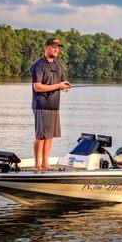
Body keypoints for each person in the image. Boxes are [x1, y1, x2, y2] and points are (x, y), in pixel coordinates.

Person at [30, 37, 72, 172]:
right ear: (46, 47)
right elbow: (37, 87)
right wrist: (58, 86)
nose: (56, 49)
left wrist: (65, 86)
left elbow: (62, 82)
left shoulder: (58, 65)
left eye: (58, 47)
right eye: (53, 46)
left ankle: (45, 164)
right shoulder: (38, 65)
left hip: (54, 105)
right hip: (41, 105)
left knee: (49, 136)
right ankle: (37, 165)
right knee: (41, 136)